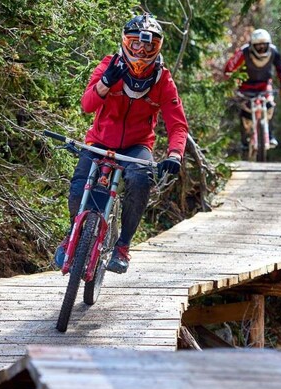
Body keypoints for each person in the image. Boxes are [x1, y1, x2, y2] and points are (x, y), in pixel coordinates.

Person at [54, 13, 189, 274]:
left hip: (136, 147)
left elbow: (177, 124)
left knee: (141, 179)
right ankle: (73, 233)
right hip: (99, 141)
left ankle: (122, 246)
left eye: (148, 45)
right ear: (126, 43)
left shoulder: (163, 80)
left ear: (157, 47)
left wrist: (175, 154)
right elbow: (86, 105)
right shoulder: (109, 65)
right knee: (79, 186)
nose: (141, 51)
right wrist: (105, 83)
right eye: (135, 43)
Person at [223, 28, 281, 151]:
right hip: (245, 87)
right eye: (258, 45)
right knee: (244, 111)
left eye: (264, 45)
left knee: (270, 107)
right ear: (252, 45)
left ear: (268, 44)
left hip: (264, 86)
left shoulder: (274, 52)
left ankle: (270, 136)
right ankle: (244, 141)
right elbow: (230, 67)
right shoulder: (244, 52)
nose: (261, 48)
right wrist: (229, 81)